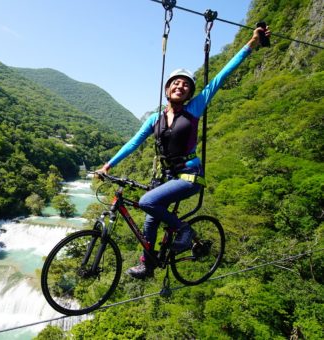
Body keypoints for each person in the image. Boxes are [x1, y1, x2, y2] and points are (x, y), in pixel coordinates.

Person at [98, 27, 271, 279]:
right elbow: (134, 142)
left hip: (190, 174)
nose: (180, 86)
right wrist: (108, 165)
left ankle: (185, 230)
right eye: (176, 83)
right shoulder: (155, 119)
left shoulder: (194, 109)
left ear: (189, 93)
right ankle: (147, 264)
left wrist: (251, 44)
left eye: (185, 85)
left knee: (147, 202)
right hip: (168, 176)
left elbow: (221, 76)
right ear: (168, 89)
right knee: (150, 219)